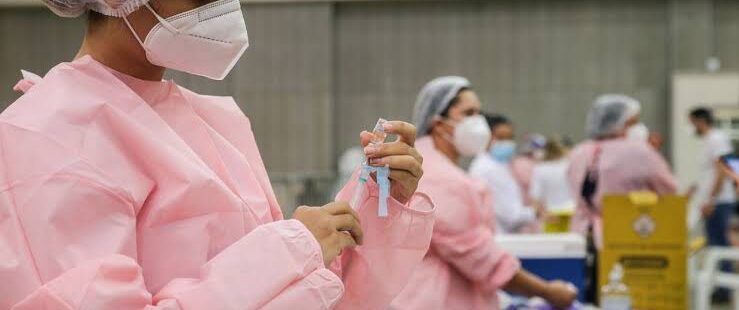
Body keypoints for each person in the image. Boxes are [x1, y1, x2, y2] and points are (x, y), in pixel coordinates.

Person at [0, 1, 436, 309]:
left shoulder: (212, 120)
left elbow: (313, 291)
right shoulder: (49, 135)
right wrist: (288, 252)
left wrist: (378, 200)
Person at [390, 76, 577, 310]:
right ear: (438, 123)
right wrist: (547, 291)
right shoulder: (438, 177)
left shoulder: (434, 168)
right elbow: (480, 257)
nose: (478, 122)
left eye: (479, 113)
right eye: (469, 113)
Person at [568, 94, 677, 248]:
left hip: (581, 236)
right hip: (627, 235)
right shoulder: (638, 152)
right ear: (621, 123)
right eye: (634, 122)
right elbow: (669, 190)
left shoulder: (578, 152)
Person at [689, 107, 736, 301]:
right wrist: (691, 192)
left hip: (719, 202)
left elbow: (722, 171)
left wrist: (711, 200)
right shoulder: (709, 141)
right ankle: (719, 287)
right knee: (714, 243)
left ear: (700, 121)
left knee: (720, 245)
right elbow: (706, 175)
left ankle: (725, 290)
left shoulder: (717, 139)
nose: (692, 127)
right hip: (712, 201)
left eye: (692, 122)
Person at [469, 114, 542, 234]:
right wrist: (535, 212)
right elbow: (512, 216)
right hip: (498, 235)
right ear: (486, 138)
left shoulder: (500, 165)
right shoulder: (487, 168)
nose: (507, 143)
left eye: (510, 138)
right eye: (501, 137)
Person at [529, 136, 574, 232]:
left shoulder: (540, 169)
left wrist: (541, 213)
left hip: (551, 215)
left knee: (554, 244)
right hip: (572, 214)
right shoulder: (570, 165)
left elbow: (535, 197)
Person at [510, 133, 546, 206]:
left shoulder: (537, 163)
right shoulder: (522, 162)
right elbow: (528, 181)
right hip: (523, 203)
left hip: (531, 205)